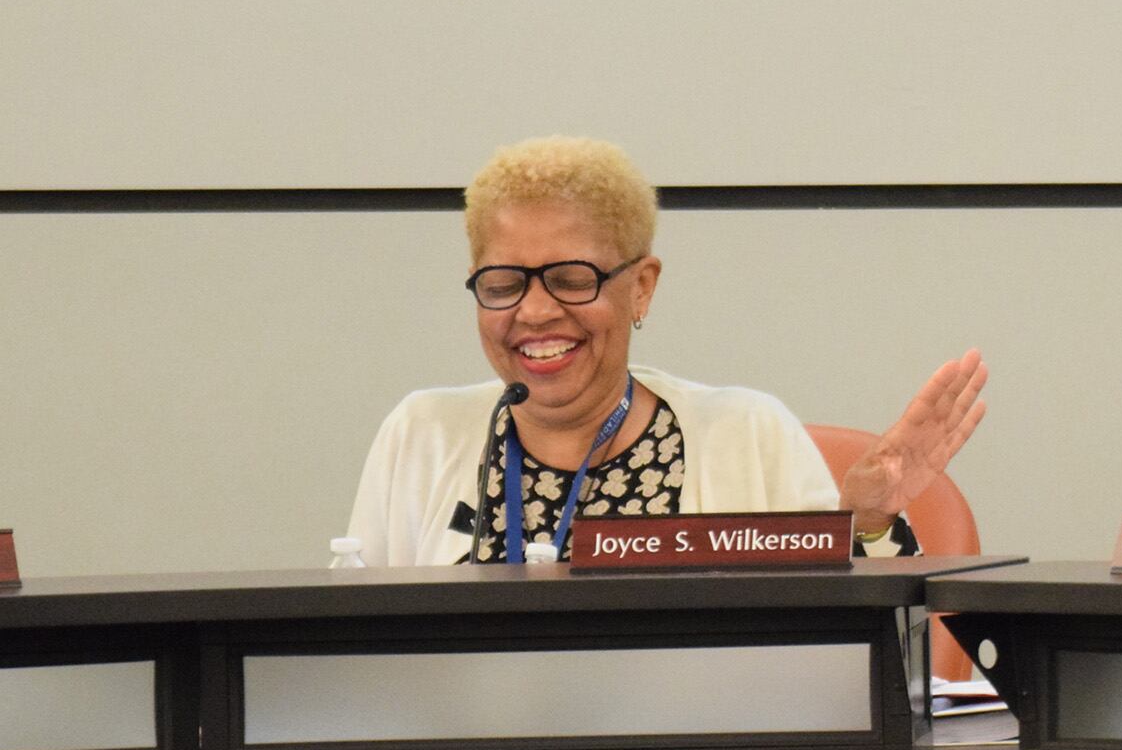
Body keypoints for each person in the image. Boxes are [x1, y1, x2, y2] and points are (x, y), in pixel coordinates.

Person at [345, 136, 986, 565]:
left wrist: (862, 522)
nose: (534, 312)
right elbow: (351, 659)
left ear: (641, 287)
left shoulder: (747, 435)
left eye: (572, 279)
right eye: (504, 284)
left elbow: (853, 661)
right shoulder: (420, 434)